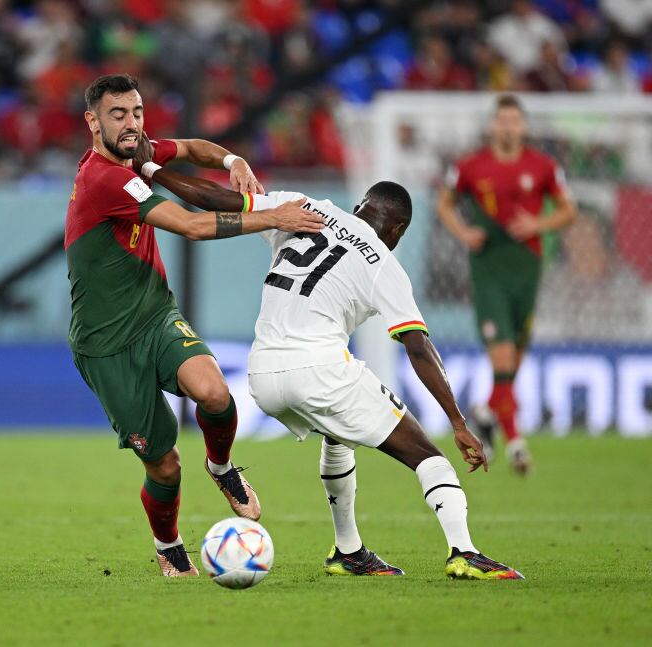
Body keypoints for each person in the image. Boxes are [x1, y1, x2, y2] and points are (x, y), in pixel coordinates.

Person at [135, 160, 523, 580]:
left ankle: (348, 551)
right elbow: (419, 348)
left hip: (262, 376)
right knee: (429, 456)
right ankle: (464, 551)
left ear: (359, 205)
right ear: (397, 232)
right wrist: (458, 421)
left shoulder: (303, 207)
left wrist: (151, 168)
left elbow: (208, 197)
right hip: (319, 370)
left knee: (338, 438)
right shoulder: (383, 263)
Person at [66, 74, 321, 577]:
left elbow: (192, 147)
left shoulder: (134, 151)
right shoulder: (104, 179)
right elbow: (192, 225)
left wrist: (233, 160)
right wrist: (273, 217)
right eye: (118, 114)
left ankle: (223, 468)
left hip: (156, 314)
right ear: (93, 122)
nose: (132, 123)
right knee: (163, 465)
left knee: (216, 396)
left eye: (137, 112)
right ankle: (168, 546)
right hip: (106, 345)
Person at [435, 95, 576, 474]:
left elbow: (568, 210)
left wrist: (537, 225)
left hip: (527, 269)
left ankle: (486, 412)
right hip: (489, 271)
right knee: (502, 357)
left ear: (524, 127)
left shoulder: (543, 167)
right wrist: (464, 233)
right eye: (502, 120)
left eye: (515, 120)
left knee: (515, 359)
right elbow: (444, 203)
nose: (509, 127)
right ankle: (514, 441)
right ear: (492, 126)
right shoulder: (470, 167)